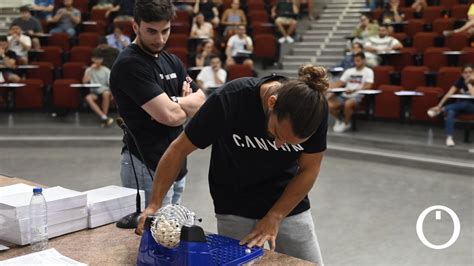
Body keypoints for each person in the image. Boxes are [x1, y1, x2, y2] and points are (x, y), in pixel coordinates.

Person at [137, 65, 328, 265]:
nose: (279, 145)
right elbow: (178, 150)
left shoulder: (315, 111)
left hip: (288, 202)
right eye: (278, 135)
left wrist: (276, 215)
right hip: (234, 203)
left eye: (291, 144)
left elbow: (309, 169)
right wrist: (154, 204)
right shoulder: (230, 99)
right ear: (272, 103)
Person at [110, 0, 206, 206]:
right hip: (147, 165)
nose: (160, 39)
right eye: (151, 31)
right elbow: (171, 117)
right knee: (148, 233)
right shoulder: (130, 64)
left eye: (165, 31)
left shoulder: (171, 60)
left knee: (170, 231)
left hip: (176, 162)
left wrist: (172, 101)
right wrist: (182, 107)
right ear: (136, 27)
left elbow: (201, 101)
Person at [427, 65, 474, 147]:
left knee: (465, 104)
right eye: (465, 73)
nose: (468, 74)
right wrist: (439, 105)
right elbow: (449, 94)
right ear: (462, 74)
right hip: (459, 106)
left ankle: (442, 110)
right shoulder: (460, 81)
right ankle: (449, 137)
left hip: (471, 107)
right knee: (451, 112)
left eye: (470, 72)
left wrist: (469, 84)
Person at [328, 52, 374, 133]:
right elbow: (340, 83)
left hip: (358, 95)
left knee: (348, 104)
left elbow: (368, 85)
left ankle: (346, 123)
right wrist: (330, 87)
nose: (356, 63)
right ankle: (340, 119)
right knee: (329, 104)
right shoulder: (349, 71)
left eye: (358, 60)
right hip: (345, 94)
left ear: (363, 60)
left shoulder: (369, 71)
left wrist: (355, 90)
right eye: (355, 61)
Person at [82, 52, 114, 127]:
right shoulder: (89, 70)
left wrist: (112, 93)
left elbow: (110, 83)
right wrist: (90, 70)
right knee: (88, 98)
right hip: (94, 91)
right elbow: (84, 82)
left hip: (104, 89)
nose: (97, 61)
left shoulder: (106, 70)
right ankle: (104, 117)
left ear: (102, 60)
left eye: (99, 59)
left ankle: (104, 117)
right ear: (92, 59)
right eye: (96, 59)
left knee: (106, 94)